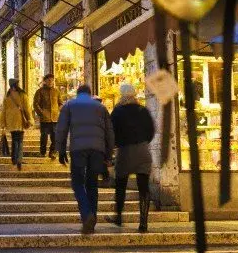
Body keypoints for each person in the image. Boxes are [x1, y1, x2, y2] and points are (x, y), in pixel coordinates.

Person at [56, 84, 114, 235]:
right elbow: (109, 133)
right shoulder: (101, 108)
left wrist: (61, 150)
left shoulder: (69, 105)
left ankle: (87, 215)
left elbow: (61, 129)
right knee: (92, 184)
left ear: (77, 93)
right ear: (90, 94)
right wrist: (108, 155)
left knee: (77, 183)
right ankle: (92, 218)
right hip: (97, 150)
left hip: (78, 149)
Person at [107, 84, 155, 232]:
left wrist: (113, 146)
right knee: (143, 187)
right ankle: (143, 223)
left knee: (121, 185)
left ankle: (119, 216)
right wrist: (143, 142)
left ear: (122, 95)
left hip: (125, 151)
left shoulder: (118, 111)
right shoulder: (143, 110)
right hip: (143, 151)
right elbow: (151, 130)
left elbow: (111, 131)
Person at [0, 78, 33, 171]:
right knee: (20, 141)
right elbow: (27, 109)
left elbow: (4, 111)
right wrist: (30, 119)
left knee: (15, 140)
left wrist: (3, 123)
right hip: (20, 120)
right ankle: (19, 159)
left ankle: (14, 158)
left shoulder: (7, 96)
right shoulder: (22, 94)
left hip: (11, 121)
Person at [33, 73, 63, 160]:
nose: (51, 82)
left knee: (55, 137)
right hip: (44, 119)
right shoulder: (40, 91)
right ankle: (42, 152)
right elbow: (35, 104)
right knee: (44, 137)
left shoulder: (56, 91)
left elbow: (60, 102)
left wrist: (59, 110)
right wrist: (41, 113)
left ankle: (52, 152)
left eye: (52, 80)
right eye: (49, 80)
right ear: (45, 81)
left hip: (55, 118)